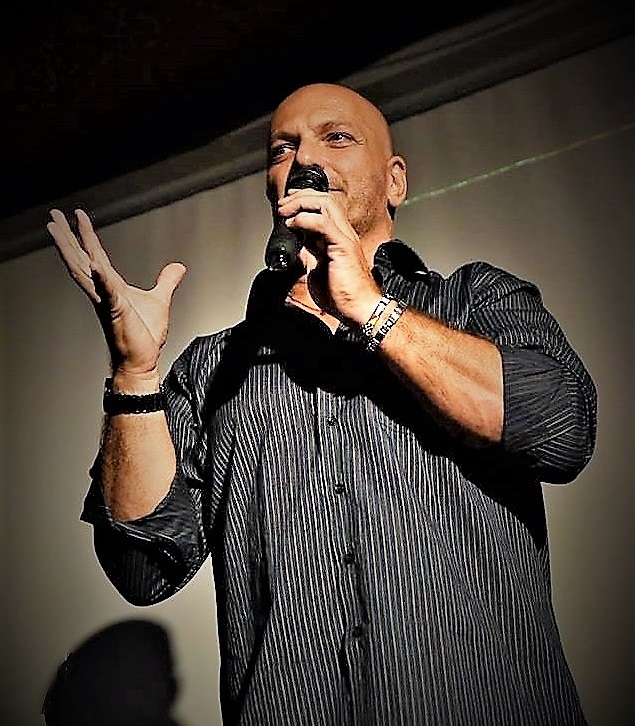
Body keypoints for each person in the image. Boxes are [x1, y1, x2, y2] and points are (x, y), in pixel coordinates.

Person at [47, 82, 597, 726]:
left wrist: (369, 306)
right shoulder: (213, 368)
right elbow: (142, 569)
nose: (305, 158)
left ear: (395, 182)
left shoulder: (475, 300)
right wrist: (135, 374)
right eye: (283, 149)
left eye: (336, 138)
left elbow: (561, 430)